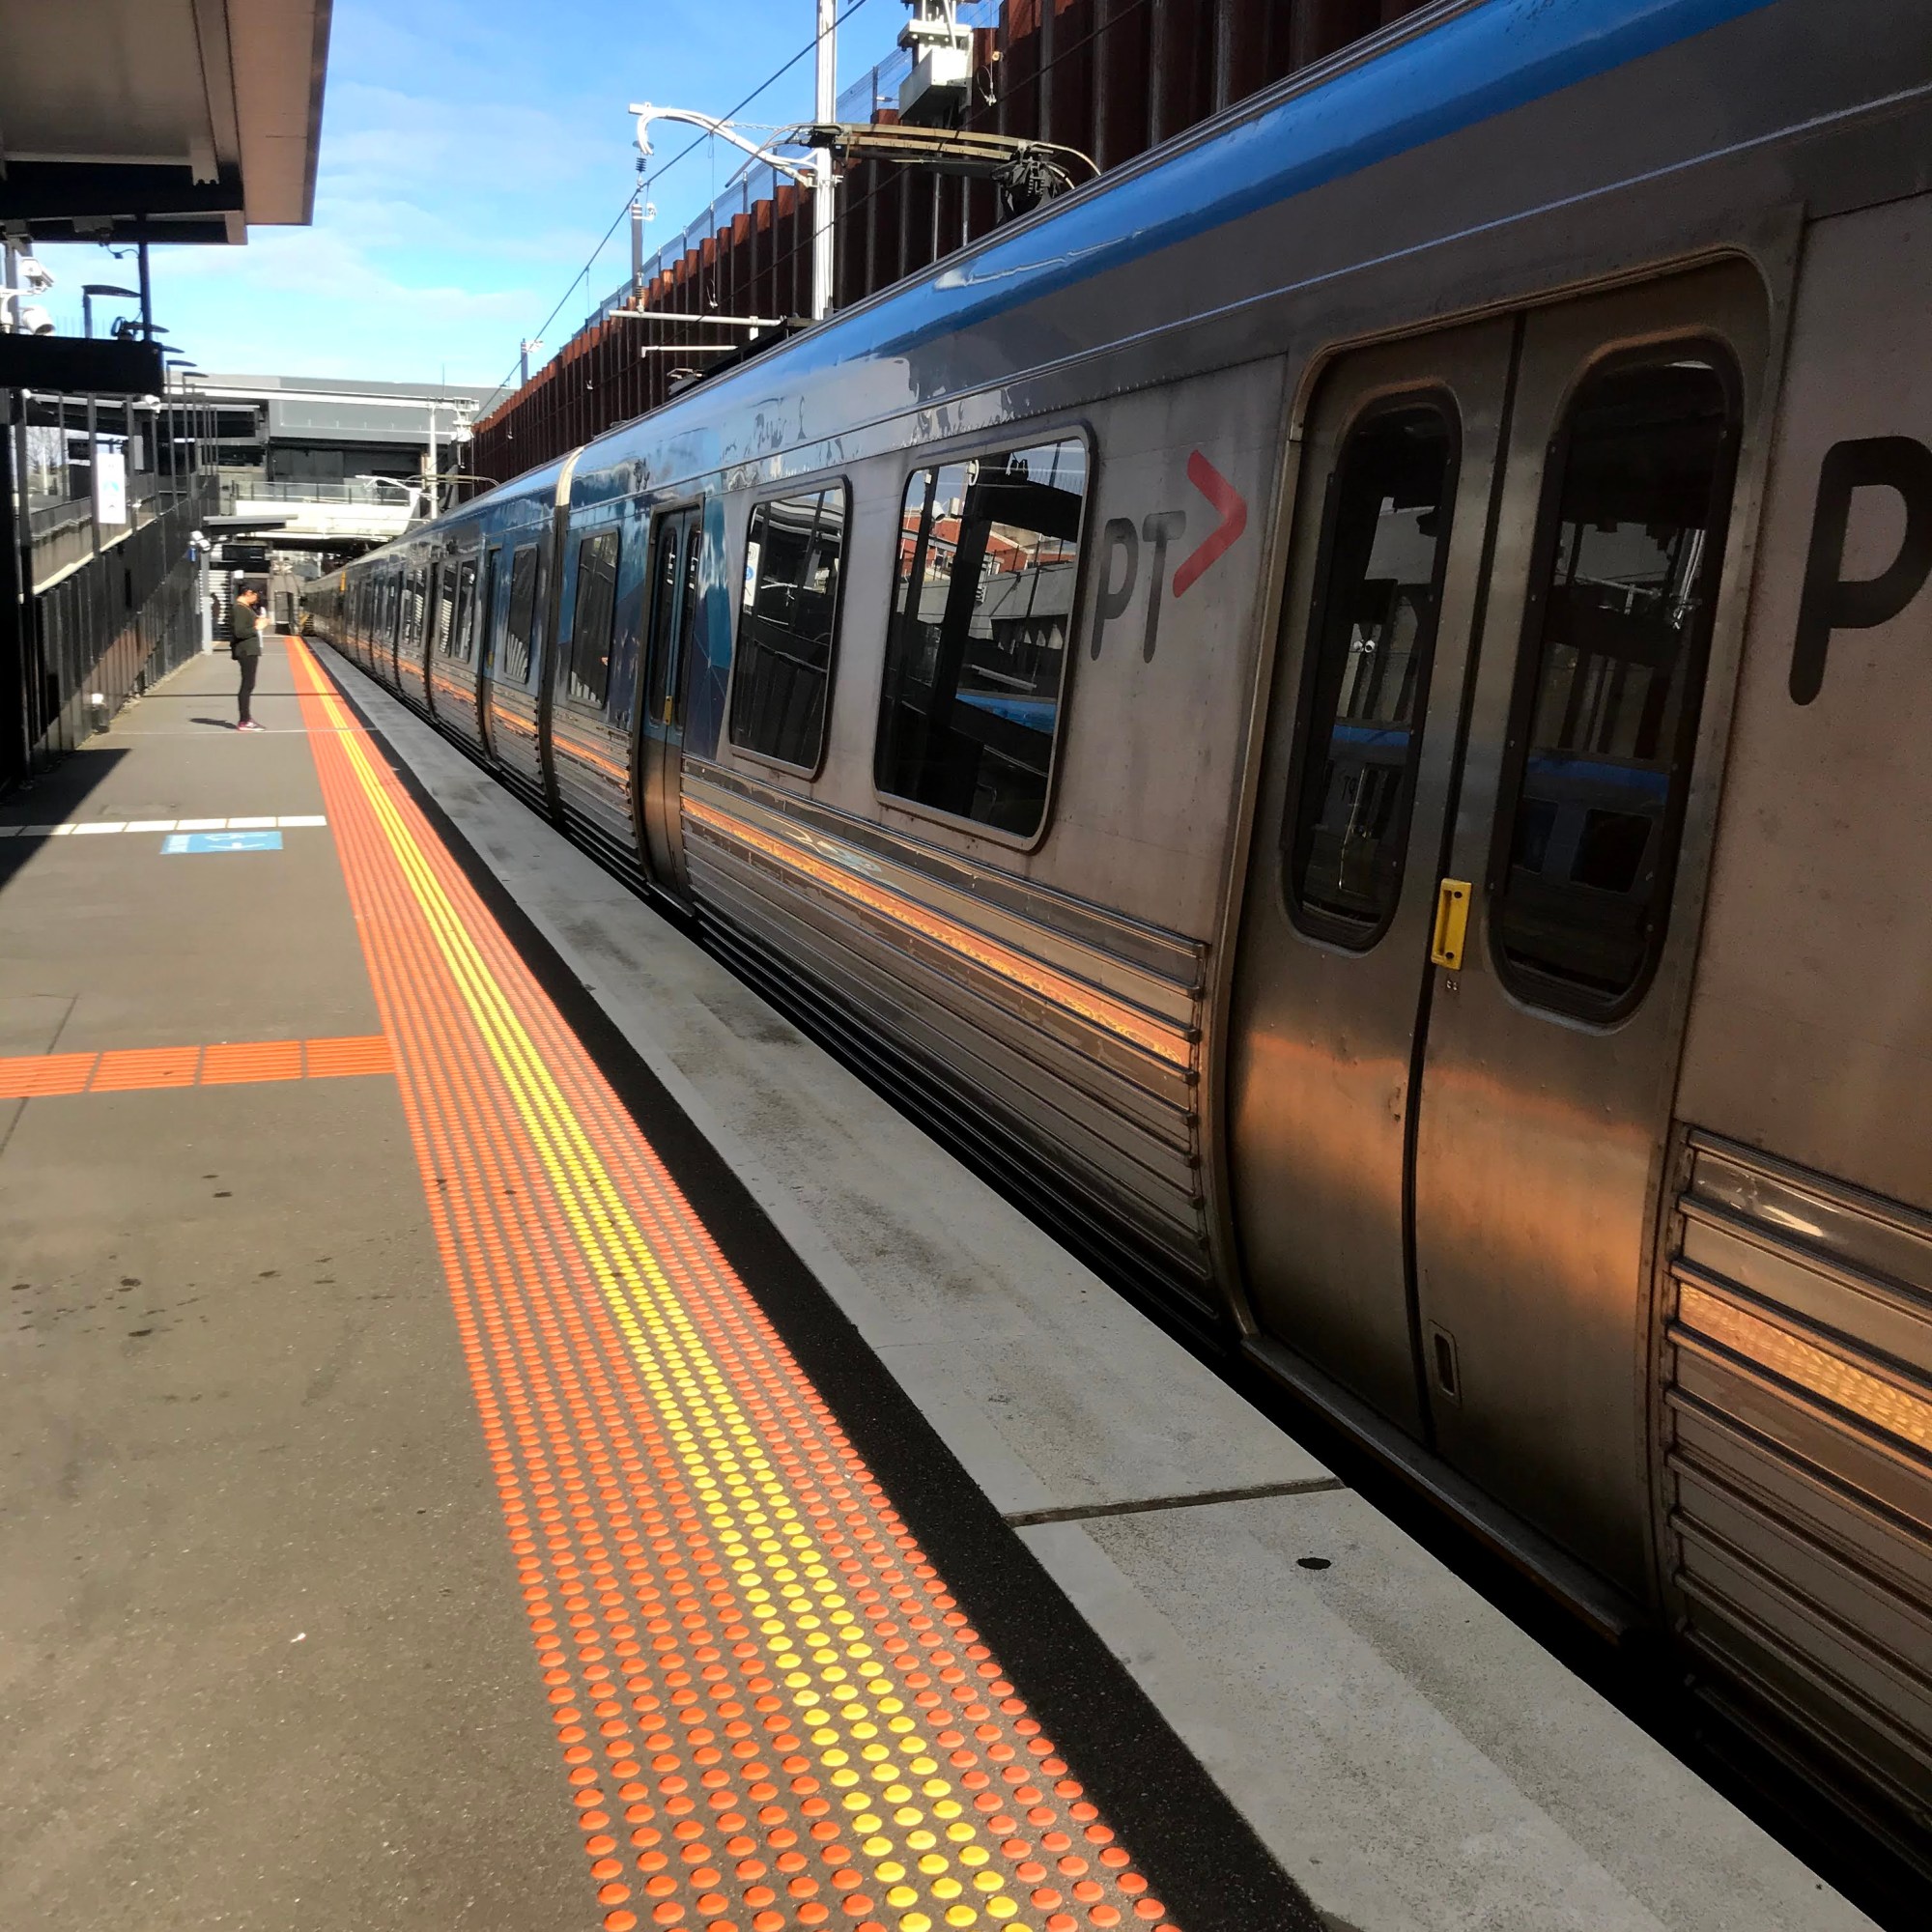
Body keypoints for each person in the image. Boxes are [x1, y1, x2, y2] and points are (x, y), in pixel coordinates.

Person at [229, 584, 267, 731]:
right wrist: (257, 627)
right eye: (256, 595)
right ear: (248, 593)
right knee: (247, 685)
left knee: (249, 684)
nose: (256, 598)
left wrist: (257, 622)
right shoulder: (239, 609)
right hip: (246, 651)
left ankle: (245, 719)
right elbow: (239, 632)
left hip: (248, 650)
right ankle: (244, 720)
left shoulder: (243, 608)